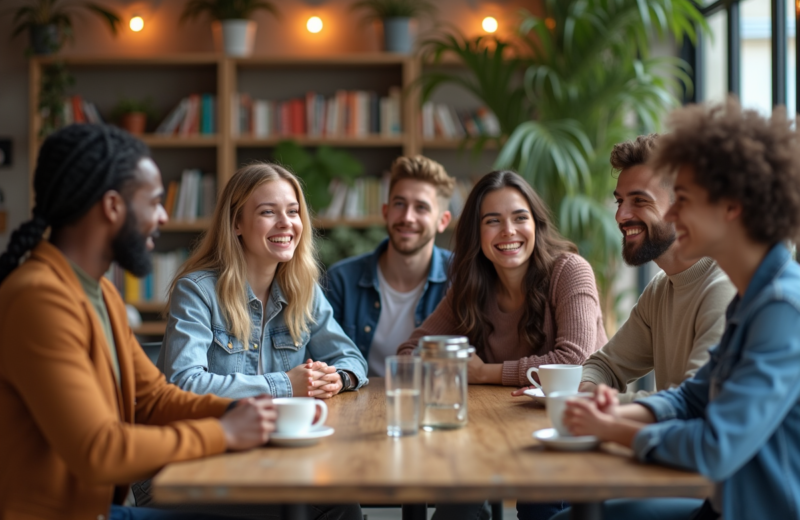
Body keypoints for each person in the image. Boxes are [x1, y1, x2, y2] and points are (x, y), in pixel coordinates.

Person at [0, 124, 276, 520]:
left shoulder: (102, 294)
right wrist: (226, 434)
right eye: (155, 202)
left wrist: (237, 411)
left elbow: (153, 400)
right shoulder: (38, 298)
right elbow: (99, 451)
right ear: (113, 207)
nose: (164, 216)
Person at [554, 98, 800, 520]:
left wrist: (612, 428)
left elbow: (714, 447)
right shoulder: (753, 297)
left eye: (683, 198)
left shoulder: (781, 308)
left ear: (731, 206)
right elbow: (692, 396)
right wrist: (618, 410)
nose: (673, 212)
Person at [397, 170, 607, 520]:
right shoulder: (471, 286)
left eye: (519, 218)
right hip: (493, 432)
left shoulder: (570, 270)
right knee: (454, 510)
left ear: (536, 225)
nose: (509, 231)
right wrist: (448, 362)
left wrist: (483, 373)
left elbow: (575, 362)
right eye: (493, 221)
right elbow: (409, 352)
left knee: (540, 504)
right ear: (476, 233)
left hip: (571, 433)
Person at [512, 134, 736, 402]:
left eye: (639, 201)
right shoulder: (660, 289)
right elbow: (604, 366)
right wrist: (586, 389)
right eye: (620, 201)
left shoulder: (724, 289)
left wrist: (596, 401)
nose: (620, 215)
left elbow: (694, 401)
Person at [325, 155, 454, 376]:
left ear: (442, 221)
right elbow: (325, 360)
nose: (407, 217)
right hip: (357, 404)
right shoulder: (341, 280)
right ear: (386, 211)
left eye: (421, 207)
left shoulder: (461, 277)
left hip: (435, 401)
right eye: (399, 204)